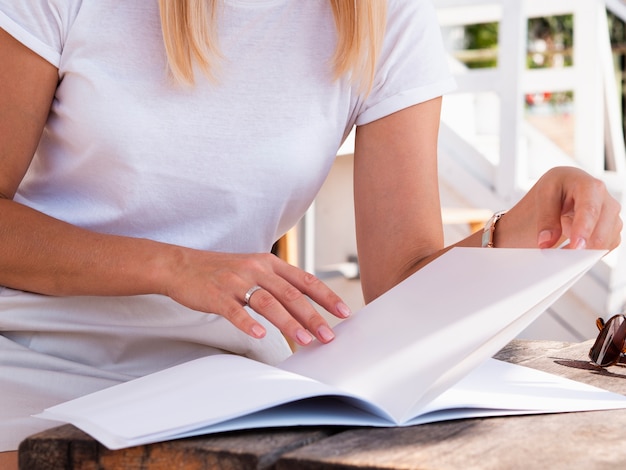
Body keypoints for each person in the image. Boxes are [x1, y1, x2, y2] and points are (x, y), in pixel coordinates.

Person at [0, 0, 621, 467]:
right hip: (32, 364)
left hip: (231, 389)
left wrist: (519, 225)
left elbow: (401, 279)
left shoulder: (384, 18)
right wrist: (175, 267)